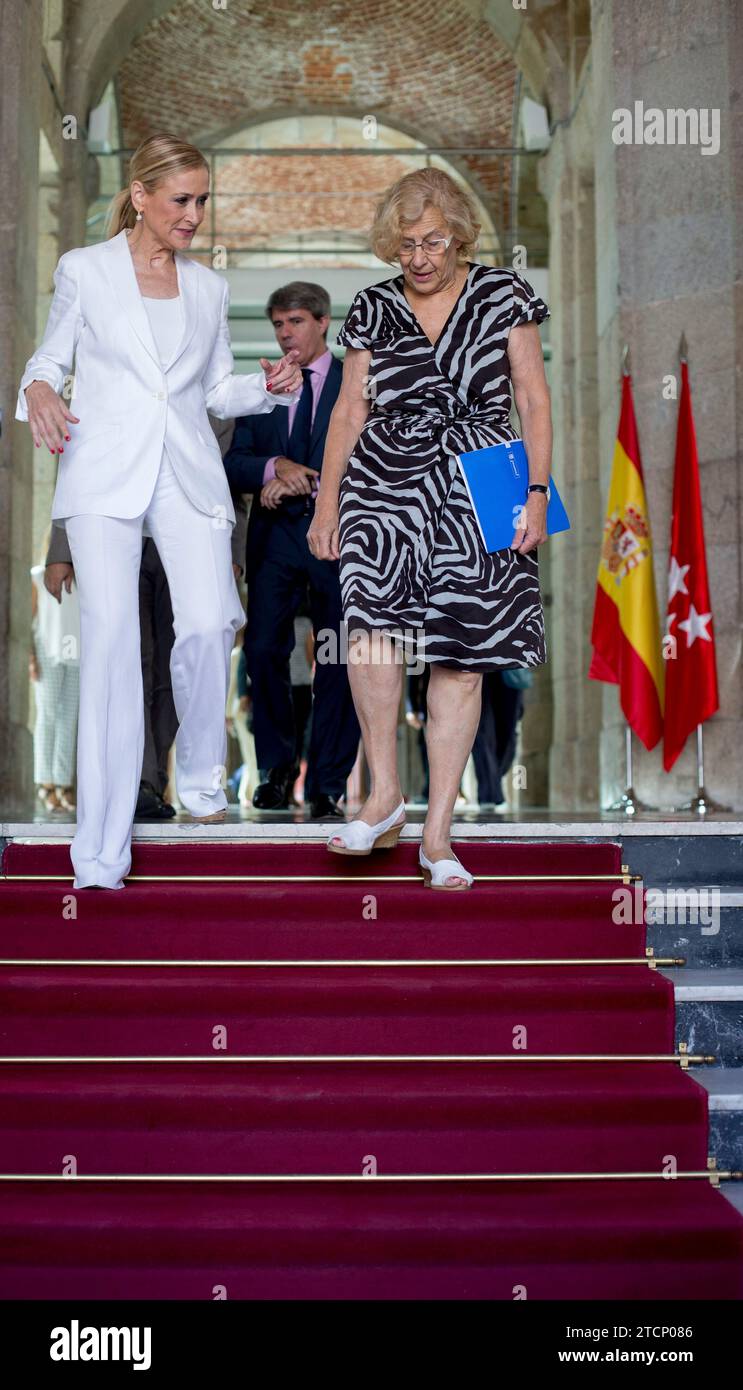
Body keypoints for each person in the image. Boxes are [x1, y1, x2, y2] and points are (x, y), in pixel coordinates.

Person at [16, 133, 301, 890]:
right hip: (105, 475)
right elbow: (51, 359)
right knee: (110, 651)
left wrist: (263, 387)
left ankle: (202, 782)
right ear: (139, 196)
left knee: (210, 619)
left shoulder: (206, 288)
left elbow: (211, 392)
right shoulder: (84, 270)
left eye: (203, 200)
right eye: (181, 199)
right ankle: (100, 855)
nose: (194, 215)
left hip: (186, 473)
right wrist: (39, 388)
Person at [308, 168, 553, 889]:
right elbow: (349, 411)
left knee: (463, 649)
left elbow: (531, 401)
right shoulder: (373, 306)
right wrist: (328, 504)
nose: (419, 257)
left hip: (481, 480)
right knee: (369, 628)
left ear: (458, 234)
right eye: (406, 244)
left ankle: (438, 835)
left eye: (433, 242)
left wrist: (535, 492)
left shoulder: (503, 294)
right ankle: (385, 793)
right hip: (384, 481)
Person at [224, 282, 360, 818]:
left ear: (324, 323)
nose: (286, 334)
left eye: (296, 322)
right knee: (261, 651)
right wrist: (271, 470)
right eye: (278, 324)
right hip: (275, 535)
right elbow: (233, 462)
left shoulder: (357, 379)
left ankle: (328, 781)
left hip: (339, 534)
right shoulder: (259, 387)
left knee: (337, 656)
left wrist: (308, 479)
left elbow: (373, 455)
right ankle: (277, 771)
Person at [30, 525, 80, 813]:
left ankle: (63, 784)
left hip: (76, 655)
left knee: (68, 719)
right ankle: (44, 783)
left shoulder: (82, 581)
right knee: (47, 716)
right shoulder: (37, 576)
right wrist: (31, 658)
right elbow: (30, 619)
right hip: (47, 652)